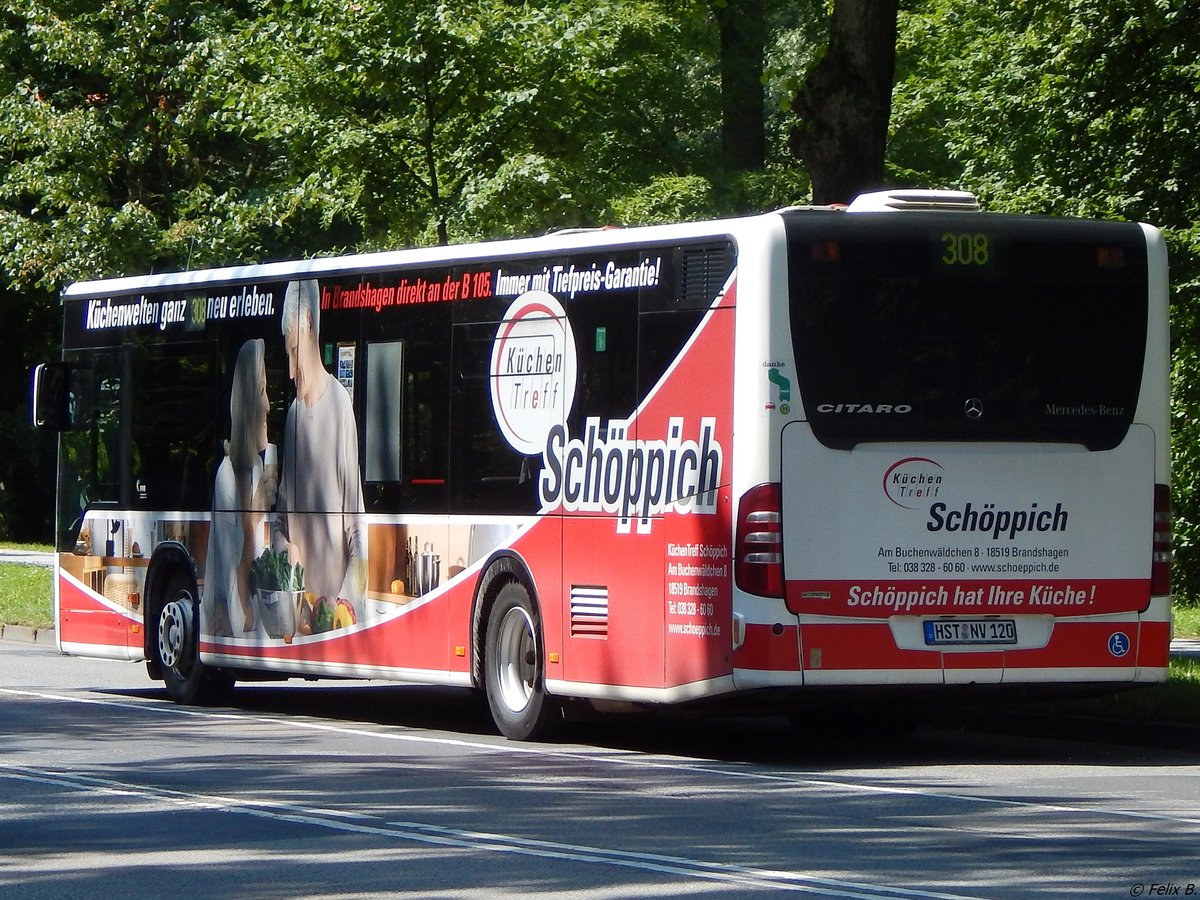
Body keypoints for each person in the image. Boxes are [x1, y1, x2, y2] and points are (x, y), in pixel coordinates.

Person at [273, 279, 367, 612]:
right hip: (298, 613)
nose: (290, 369)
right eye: (288, 353)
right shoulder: (294, 415)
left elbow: (357, 526)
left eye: (294, 351)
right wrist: (284, 548)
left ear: (309, 321)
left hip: (332, 614)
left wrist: (345, 603)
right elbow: (280, 518)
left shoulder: (340, 405)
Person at [203, 339, 277, 636]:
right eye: (262, 392)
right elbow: (241, 617)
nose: (269, 405)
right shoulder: (226, 477)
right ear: (247, 401)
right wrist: (254, 514)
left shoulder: (257, 469)